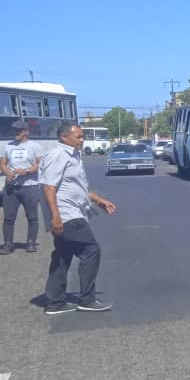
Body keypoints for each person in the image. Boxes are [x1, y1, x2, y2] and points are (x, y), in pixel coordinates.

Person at [38, 122, 117, 314]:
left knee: (63, 256)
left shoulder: (73, 155)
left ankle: (55, 302)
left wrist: (100, 201)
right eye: (78, 137)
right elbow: (49, 187)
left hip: (73, 211)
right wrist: (56, 217)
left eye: (82, 137)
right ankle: (87, 300)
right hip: (67, 215)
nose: (82, 140)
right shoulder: (58, 155)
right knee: (91, 250)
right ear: (64, 137)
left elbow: (78, 188)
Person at [1, 119, 43, 254]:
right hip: (11, 188)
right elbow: (3, 163)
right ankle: (8, 244)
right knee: (8, 217)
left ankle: (30, 243)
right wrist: (8, 172)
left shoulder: (35, 147)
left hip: (29, 187)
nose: (15, 133)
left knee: (32, 217)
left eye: (18, 130)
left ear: (26, 132)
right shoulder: (8, 146)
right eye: (14, 130)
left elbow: (40, 164)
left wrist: (27, 171)